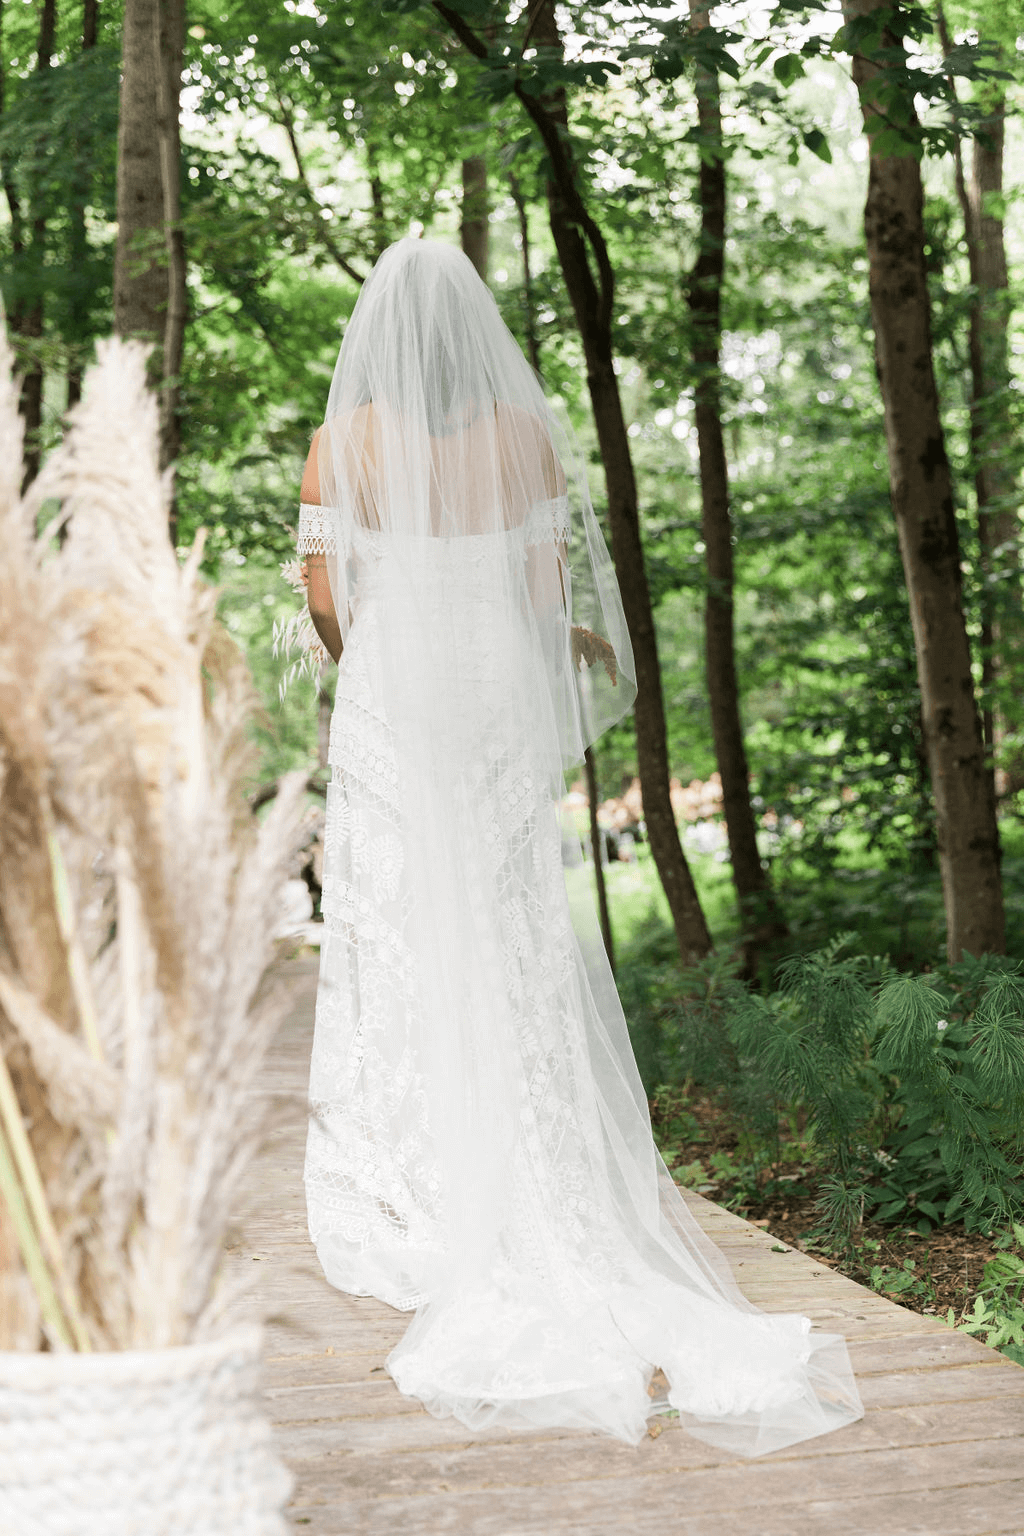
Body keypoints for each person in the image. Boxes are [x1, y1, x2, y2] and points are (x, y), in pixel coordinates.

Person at [296, 237, 863, 1453]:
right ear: (475, 330)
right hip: (494, 684)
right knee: (508, 920)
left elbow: (325, 596)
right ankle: (538, 1164)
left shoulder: (343, 440)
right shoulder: (521, 432)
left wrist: (378, 662)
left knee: (398, 922)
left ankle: (421, 1174)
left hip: (398, 681)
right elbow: (548, 593)